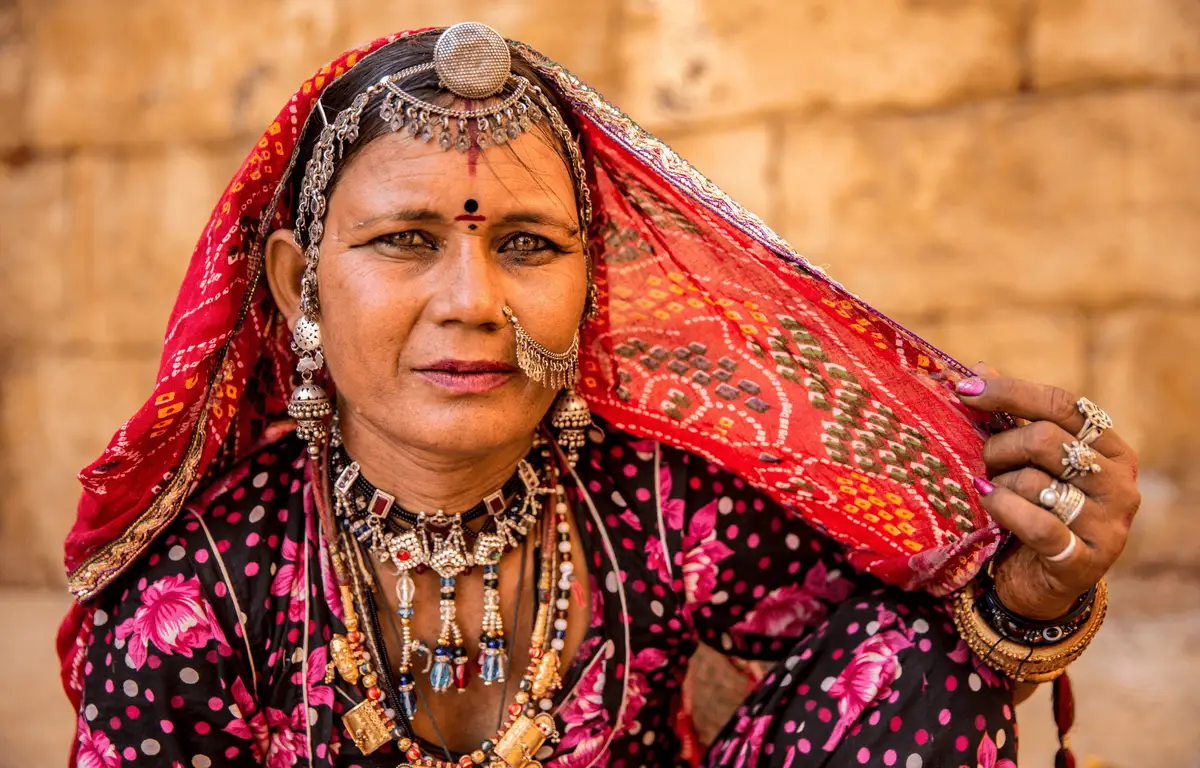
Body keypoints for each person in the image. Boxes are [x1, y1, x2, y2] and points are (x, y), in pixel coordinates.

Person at [59, 23, 1140, 768]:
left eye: (527, 244)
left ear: (592, 282)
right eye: (405, 242)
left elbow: (906, 679)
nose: (472, 302)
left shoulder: (657, 504)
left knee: (916, 666)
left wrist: (1027, 591)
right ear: (302, 286)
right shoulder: (192, 600)